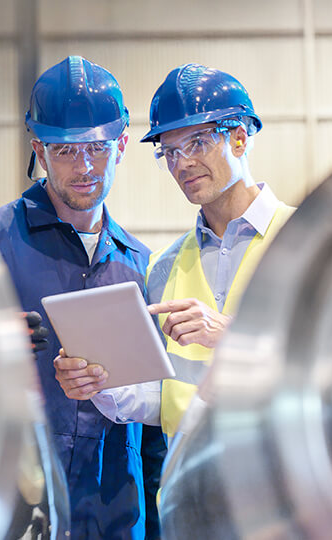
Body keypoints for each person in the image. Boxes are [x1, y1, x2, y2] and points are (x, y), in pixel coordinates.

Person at [53, 63, 295, 446]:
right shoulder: (163, 266)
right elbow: (163, 399)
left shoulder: (306, 241)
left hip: (288, 492)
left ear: (239, 138)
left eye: (197, 143)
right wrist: (99, 383)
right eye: (169, 152)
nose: (182, 163)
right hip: (191, 495)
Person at [0, 56, 166, 540]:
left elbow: (153, 421)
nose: (84, 167)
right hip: (11, 509)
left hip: (115, 515)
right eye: (65, 150)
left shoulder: (139, 264)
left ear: (122, 145)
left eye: (97, 148)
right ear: (39, 149)